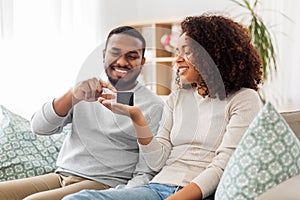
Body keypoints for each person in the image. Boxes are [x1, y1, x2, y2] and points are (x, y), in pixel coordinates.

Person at [63, 14, 263, 200]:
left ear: (213, 54)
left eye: (188, 52)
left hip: (194, 193)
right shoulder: (178, 98)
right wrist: (137, 118)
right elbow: (157, 162)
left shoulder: (244, 99)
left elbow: (222, 167)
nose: (177, 59)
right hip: (156, 188)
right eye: (178, 52)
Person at [0, 26, 164, 200]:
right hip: (62, 175)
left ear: (143, 62)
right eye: (115, 53)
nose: (122, 62)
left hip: (104, 183)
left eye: (132, 56)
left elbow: (147, 170)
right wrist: (72, 95)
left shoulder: (153, 106)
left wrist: (119, 195)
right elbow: (39, 127)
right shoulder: (84, 89)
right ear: (103, 55)